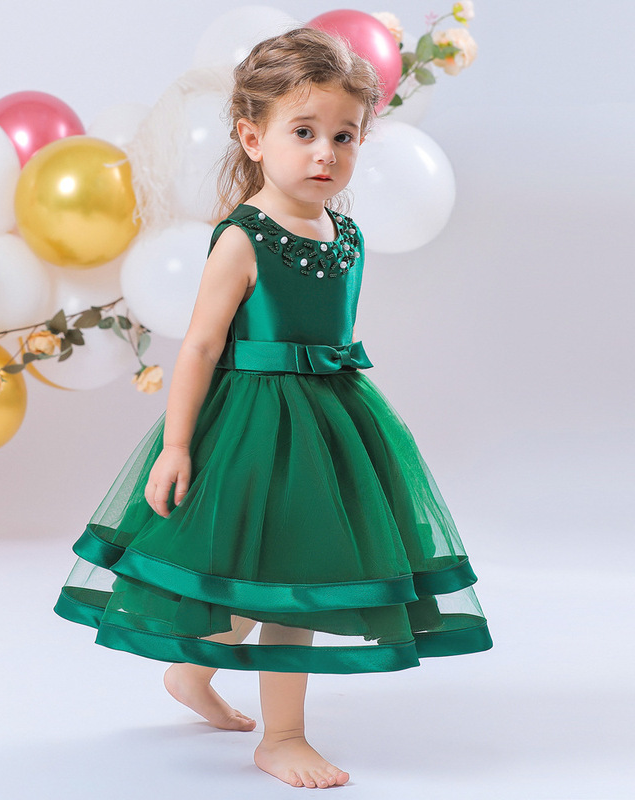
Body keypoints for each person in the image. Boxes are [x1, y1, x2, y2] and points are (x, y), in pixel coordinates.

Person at [54, 27, 492, 790]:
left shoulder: (346, 235)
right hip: (255, 427)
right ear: (253, 139)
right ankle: (282, 737)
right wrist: (178, 446)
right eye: (304, 132)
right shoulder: (243, 239)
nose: (326, 153)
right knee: (273, 577)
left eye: (344, 136)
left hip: (331, 426)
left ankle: (193, 674)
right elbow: (199, 348)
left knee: (290, 572)